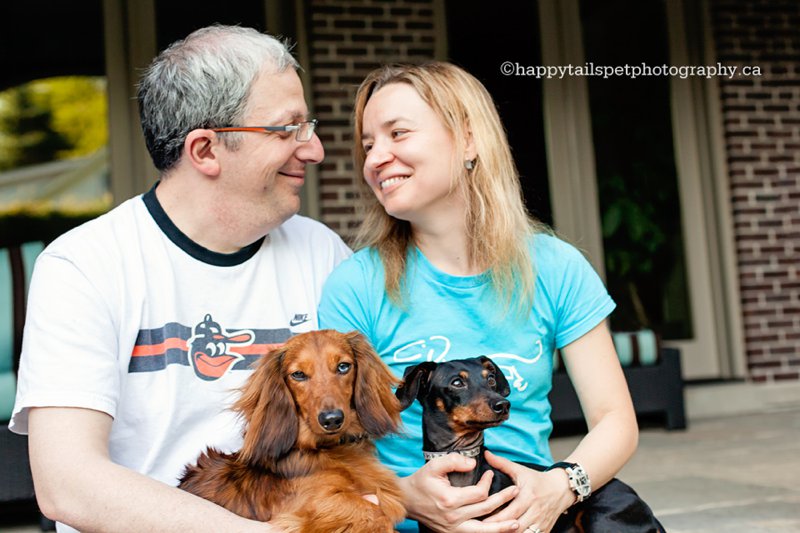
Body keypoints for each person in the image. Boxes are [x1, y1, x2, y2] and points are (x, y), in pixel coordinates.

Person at [10, 25, 351, 532]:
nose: (316, 150)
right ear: (206, 151)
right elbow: (67, 481)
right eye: (288, 129)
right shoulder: (85, 265)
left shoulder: (321, 251)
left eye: (310, 126)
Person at [318, 62, 664, 533]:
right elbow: (331, 442)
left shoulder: (555, 267)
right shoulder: (355, 285)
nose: (377, 157)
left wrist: (560, 487)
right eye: (369, 144)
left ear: (468, 140)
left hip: (534, 515)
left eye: (398, 134)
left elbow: (614, 420)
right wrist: (405, 498)